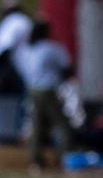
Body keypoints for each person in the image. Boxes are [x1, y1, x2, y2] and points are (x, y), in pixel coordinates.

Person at [12, 18, 75, 170]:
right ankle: (65, 156)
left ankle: (36, 160)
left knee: (37, 125)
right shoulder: (51, 48)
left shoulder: (27, 50)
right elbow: (67, 67)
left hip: (33, 90)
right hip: (49, 89)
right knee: (62, 124)